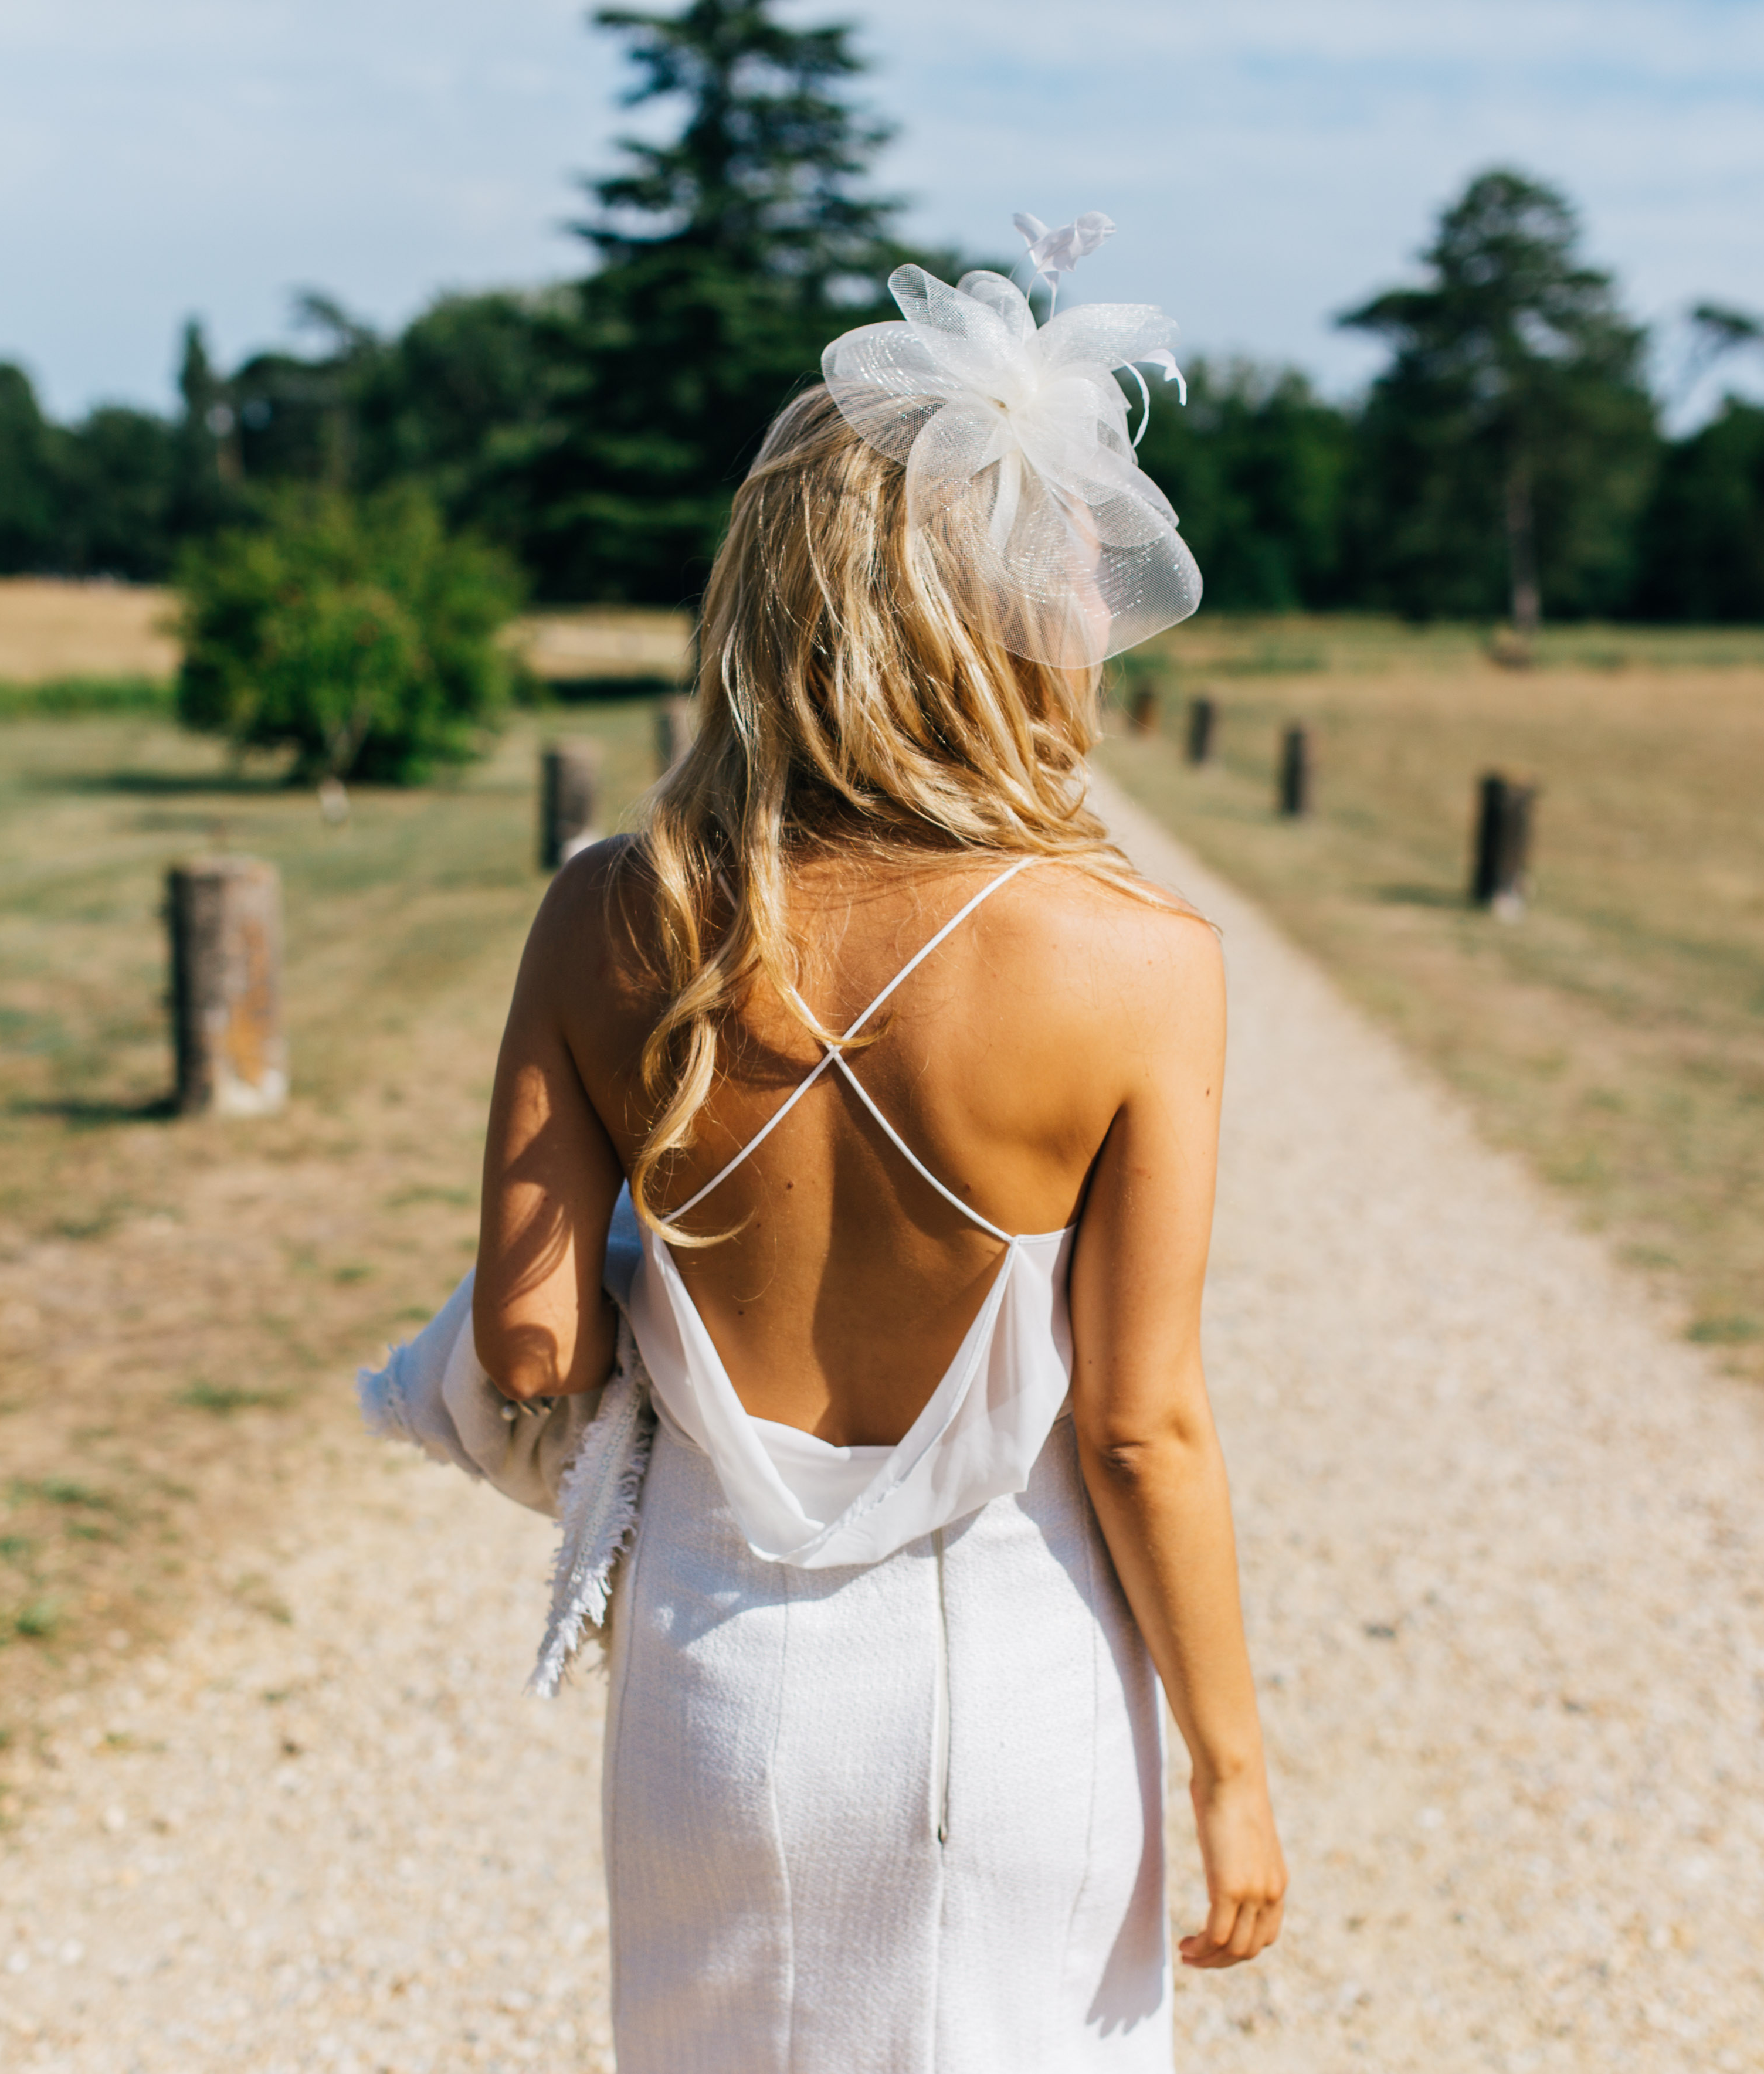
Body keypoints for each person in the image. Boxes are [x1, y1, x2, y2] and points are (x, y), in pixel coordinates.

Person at [467, 237, 1283, 2069]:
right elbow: (1139, 1427)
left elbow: (531, 1345)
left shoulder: (603, 916)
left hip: (711, 1692)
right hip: (1010, 1689)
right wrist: (1228, 1767)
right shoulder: (1139, 959)